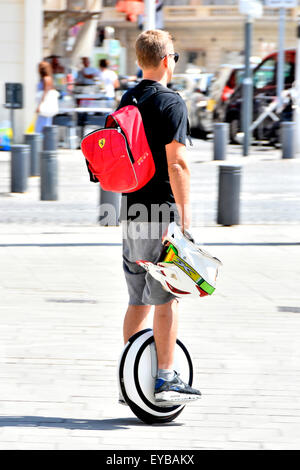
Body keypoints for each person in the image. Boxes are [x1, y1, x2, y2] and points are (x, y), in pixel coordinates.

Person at [118, 29, 201, 406]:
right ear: (168, 60)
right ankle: (165, 379)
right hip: (160, 213)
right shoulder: (172, 102)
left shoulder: (128, 98)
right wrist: (184, 221)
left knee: (138, 300)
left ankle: (128, 379)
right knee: (168, 298)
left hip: (130, 211)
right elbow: (178, 164)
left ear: (140, 61)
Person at [35, 61, 55, 134]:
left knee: (41, 127)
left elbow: (45, 93)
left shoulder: (46, 79)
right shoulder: (46, 79)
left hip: (44, 107)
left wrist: (40, 106)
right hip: (44, 107)